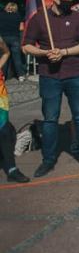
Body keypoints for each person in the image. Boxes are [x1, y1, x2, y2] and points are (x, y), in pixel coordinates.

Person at [22, 0, 79, 177]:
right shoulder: (39, 18)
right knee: (50, 119)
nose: (68, 0)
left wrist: (64, 52)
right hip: (49, 76)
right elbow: (26, 46)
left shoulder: (76, 17)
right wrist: (44, 53)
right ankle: (48, 160)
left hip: (76, 73)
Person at [0, 39, 29, 182]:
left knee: (5, 131)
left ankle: (11, 169)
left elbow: (6, 53)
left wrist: (3, 45)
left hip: (0, 99)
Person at [0, 3, 25, 81]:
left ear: (7, 7)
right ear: (15, 8)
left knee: (4, 56)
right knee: (16, 57)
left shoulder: (1, 15)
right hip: (15, 38)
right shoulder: (18, 16)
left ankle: (3, 76)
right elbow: (21, 28)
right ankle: (20, 75)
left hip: (3, 38)